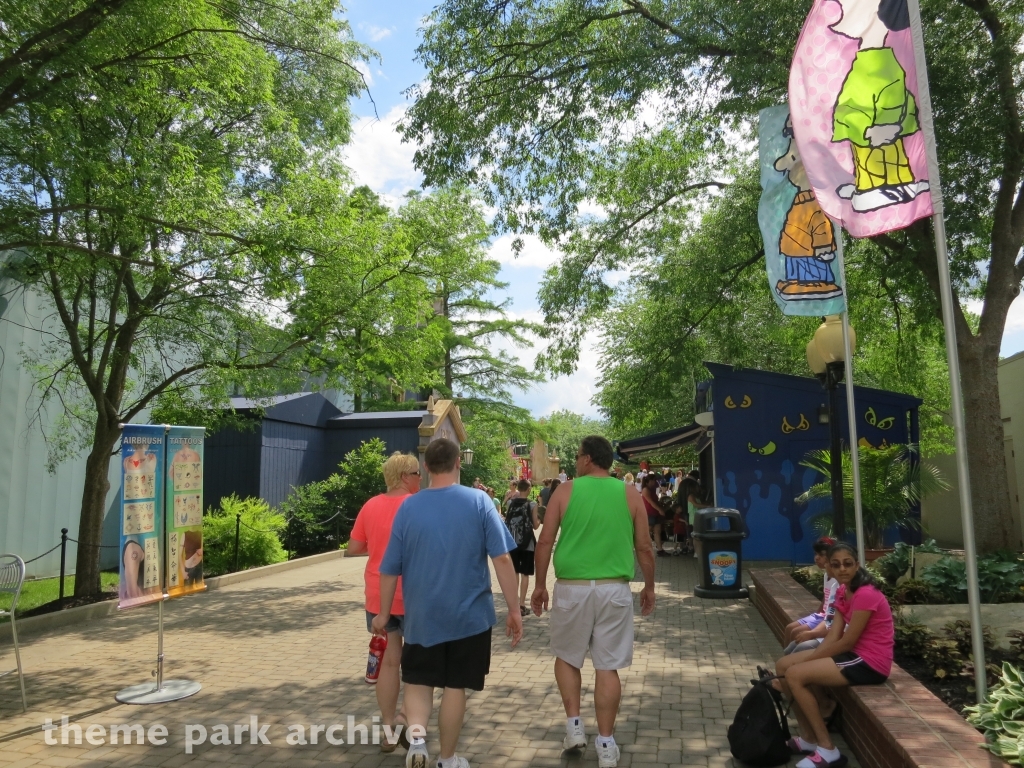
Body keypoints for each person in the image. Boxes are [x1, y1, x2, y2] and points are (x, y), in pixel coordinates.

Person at [374, 438, 523, 768]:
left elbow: (389, 568)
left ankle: (416, 743)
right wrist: (514, 609)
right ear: (458, 463)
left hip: (421, 617)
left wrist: (384, 614)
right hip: (469, 617)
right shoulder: (480, 501)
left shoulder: (408, 508)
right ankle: (448, 758)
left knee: (418, 681)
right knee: (456, 688)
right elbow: (501, 559)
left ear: (426, 467)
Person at [531, 435, 656, 768]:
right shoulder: (629, 494)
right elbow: (644, 547)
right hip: (613, 590)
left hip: (571, 589)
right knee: (607, 665)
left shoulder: (565, 491)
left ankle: (574, 726)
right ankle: (605, 743)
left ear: (587, 459)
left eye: (577, 456)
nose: (575, 461)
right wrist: (650, 586)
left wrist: (540, 585)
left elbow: (544, 541)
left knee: (568, 657)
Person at [773, 542, 894, 768]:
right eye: (836, 565)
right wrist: (812, 657)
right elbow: (834, 635)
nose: (842, 569)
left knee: (795, 675)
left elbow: (848, 641)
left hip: (870, 661)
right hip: (852, 653)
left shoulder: (866, 593)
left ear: (857, 564)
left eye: (848, 564)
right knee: (783, 666)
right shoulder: (842, 590)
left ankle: (828, 750)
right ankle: (808, 738)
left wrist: (809, 660)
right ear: (830, 567)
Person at [347, 452, 422, 753]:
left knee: (390, 663)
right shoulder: (416, 506)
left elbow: (354, 547)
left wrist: (375, 545)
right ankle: (410, 717)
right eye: (417, 473)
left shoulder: (371, 505)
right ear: (405, 476)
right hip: (415, 596)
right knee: (417, 664)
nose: (420, 479)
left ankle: (389, 728)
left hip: (379, 597)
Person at [783, 537, 839, 651]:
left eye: (821, 555)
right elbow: (826, 598)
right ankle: (785, 659)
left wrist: (814, 631)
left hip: (829, 619)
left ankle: (791, 661)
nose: (817, 558)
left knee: (796, 632)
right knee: (789, 628)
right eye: (815, 554)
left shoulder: (838, 581)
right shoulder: (827, 576)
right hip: (822, 615)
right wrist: (817, 613)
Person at [505, 478, 541, 617]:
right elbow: (535, 525)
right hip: (527, 543)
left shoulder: (510, 503)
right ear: (528, 489)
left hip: (512, 542)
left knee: (514, 572)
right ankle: (521, 604)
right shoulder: (532, 504)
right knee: (525, 573)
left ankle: (513, 604)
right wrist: (540, 518)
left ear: (518, 488)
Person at [641, 475, 666, 557]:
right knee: (647, 531)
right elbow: (651, 502)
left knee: (657, 531)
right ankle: (642, 548)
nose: (656, 482)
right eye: (654, 480)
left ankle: (660, 549)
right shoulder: (645, 489)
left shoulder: (652, 489)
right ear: (650, 481)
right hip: (649, 513)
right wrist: (660, 509)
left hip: (655, 513)